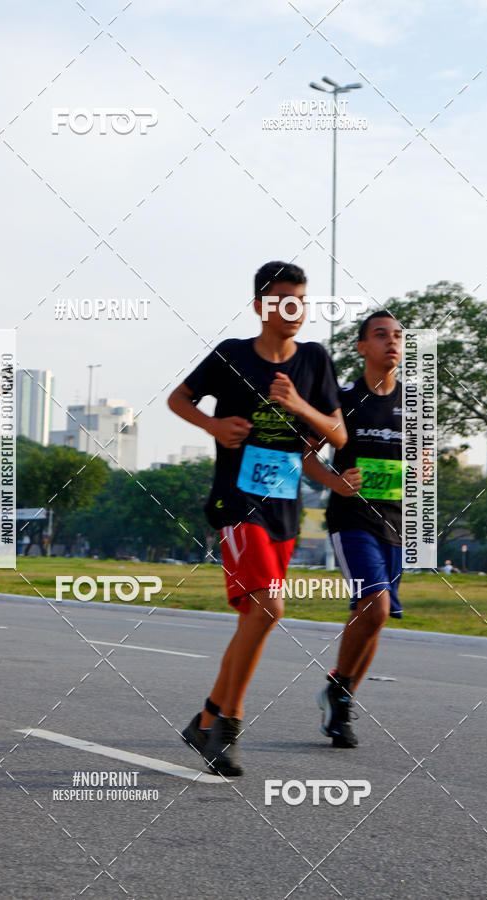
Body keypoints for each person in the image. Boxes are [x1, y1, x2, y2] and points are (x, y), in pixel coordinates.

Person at [167, 261, 346, 775]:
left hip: (285, 506)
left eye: (301, 301)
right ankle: (226, 724)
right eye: (283, 300)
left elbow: (336, 433)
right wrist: (214, 424)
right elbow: (178, 398)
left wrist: (299, 406)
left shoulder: (314, 360)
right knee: (269, 608)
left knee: (256, 616)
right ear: (261, 307)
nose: (294, 310)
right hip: (236, 501)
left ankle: (206, 721)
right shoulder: (232, 355)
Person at [303, 311, 403, 748]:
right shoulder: (341, 398)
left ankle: (340, 701)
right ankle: (338, 687)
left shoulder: (414, 404)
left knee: (372, 620)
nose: (391, 342)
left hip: (395, 524)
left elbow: (421, 464)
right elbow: (307, 459)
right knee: (375, 607)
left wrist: (421, 470)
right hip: (352, 522)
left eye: (398, 336)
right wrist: (337, 483)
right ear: (361, 347)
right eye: (380, 335)